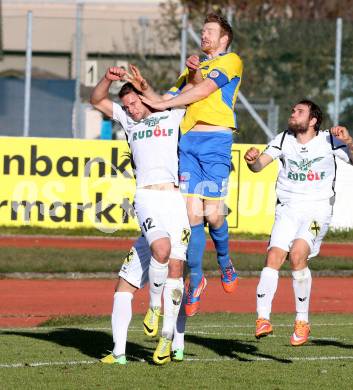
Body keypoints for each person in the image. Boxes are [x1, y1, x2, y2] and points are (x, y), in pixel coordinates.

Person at [135, 12, 244, 317]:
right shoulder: (192, 69)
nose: (204, 35)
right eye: (203, 31)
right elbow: (168, 98)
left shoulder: (231, 60)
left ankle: (225, 261)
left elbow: (203, 91)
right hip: (188, 144)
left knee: (213, 213)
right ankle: (196, 280)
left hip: (215, 143)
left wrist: (165, 101)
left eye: (210, 31)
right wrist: (143, 89)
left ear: (224, 38)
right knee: (191, 215)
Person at [90, 66, 190, 365]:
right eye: (127, 105)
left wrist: (148, 87)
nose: (131, 109)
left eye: (134, 102)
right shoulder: (127, 121)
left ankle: (167, 341)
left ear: (145, 99)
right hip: (146, 196)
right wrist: (109, 78)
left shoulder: (169, 114)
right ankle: (127, 342)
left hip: (174, 199)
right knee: (162, 248)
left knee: (174, 271)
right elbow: (97, 99)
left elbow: (192, 93)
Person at [244, 100, 353, 346]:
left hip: (317, 210)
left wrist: (349, 141)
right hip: (287, 210)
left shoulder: (329, 140)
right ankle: (263, 319)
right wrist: (251, 160)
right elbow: (259, 165)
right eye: (292, 110)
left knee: (297, 256)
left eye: (299, 112)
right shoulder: (283, 139)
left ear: (313, 120)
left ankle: (302, 321)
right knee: (273, 256)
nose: (293, 114)